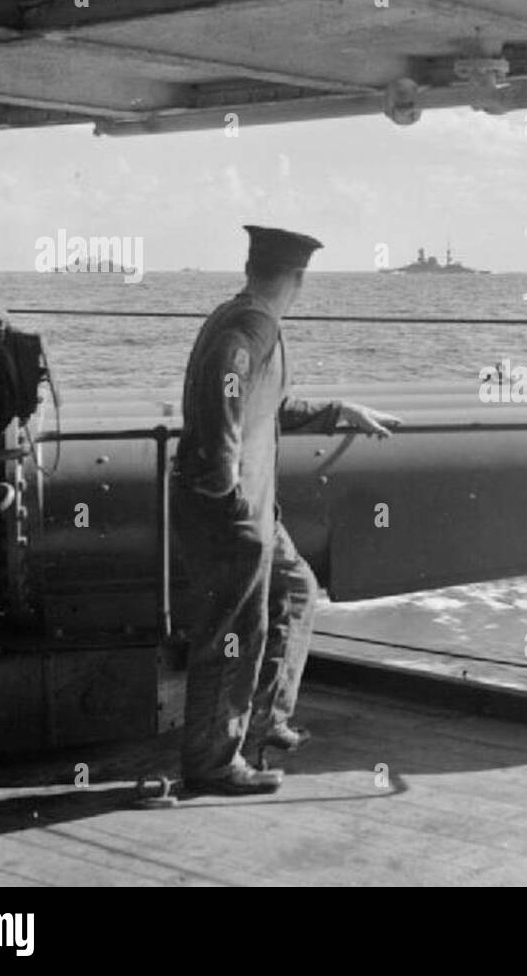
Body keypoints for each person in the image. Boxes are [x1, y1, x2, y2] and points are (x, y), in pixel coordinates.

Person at [172, 224, 400, 796]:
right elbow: (224, 395)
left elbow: (265, 405)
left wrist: (338, 410)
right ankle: (213, 762)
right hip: (235, 510)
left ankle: (266, 718)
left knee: (296, 589)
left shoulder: (242, 318)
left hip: (251, 508)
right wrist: (227, 487)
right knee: (233, 632)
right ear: (296, 279)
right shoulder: (248, 329)